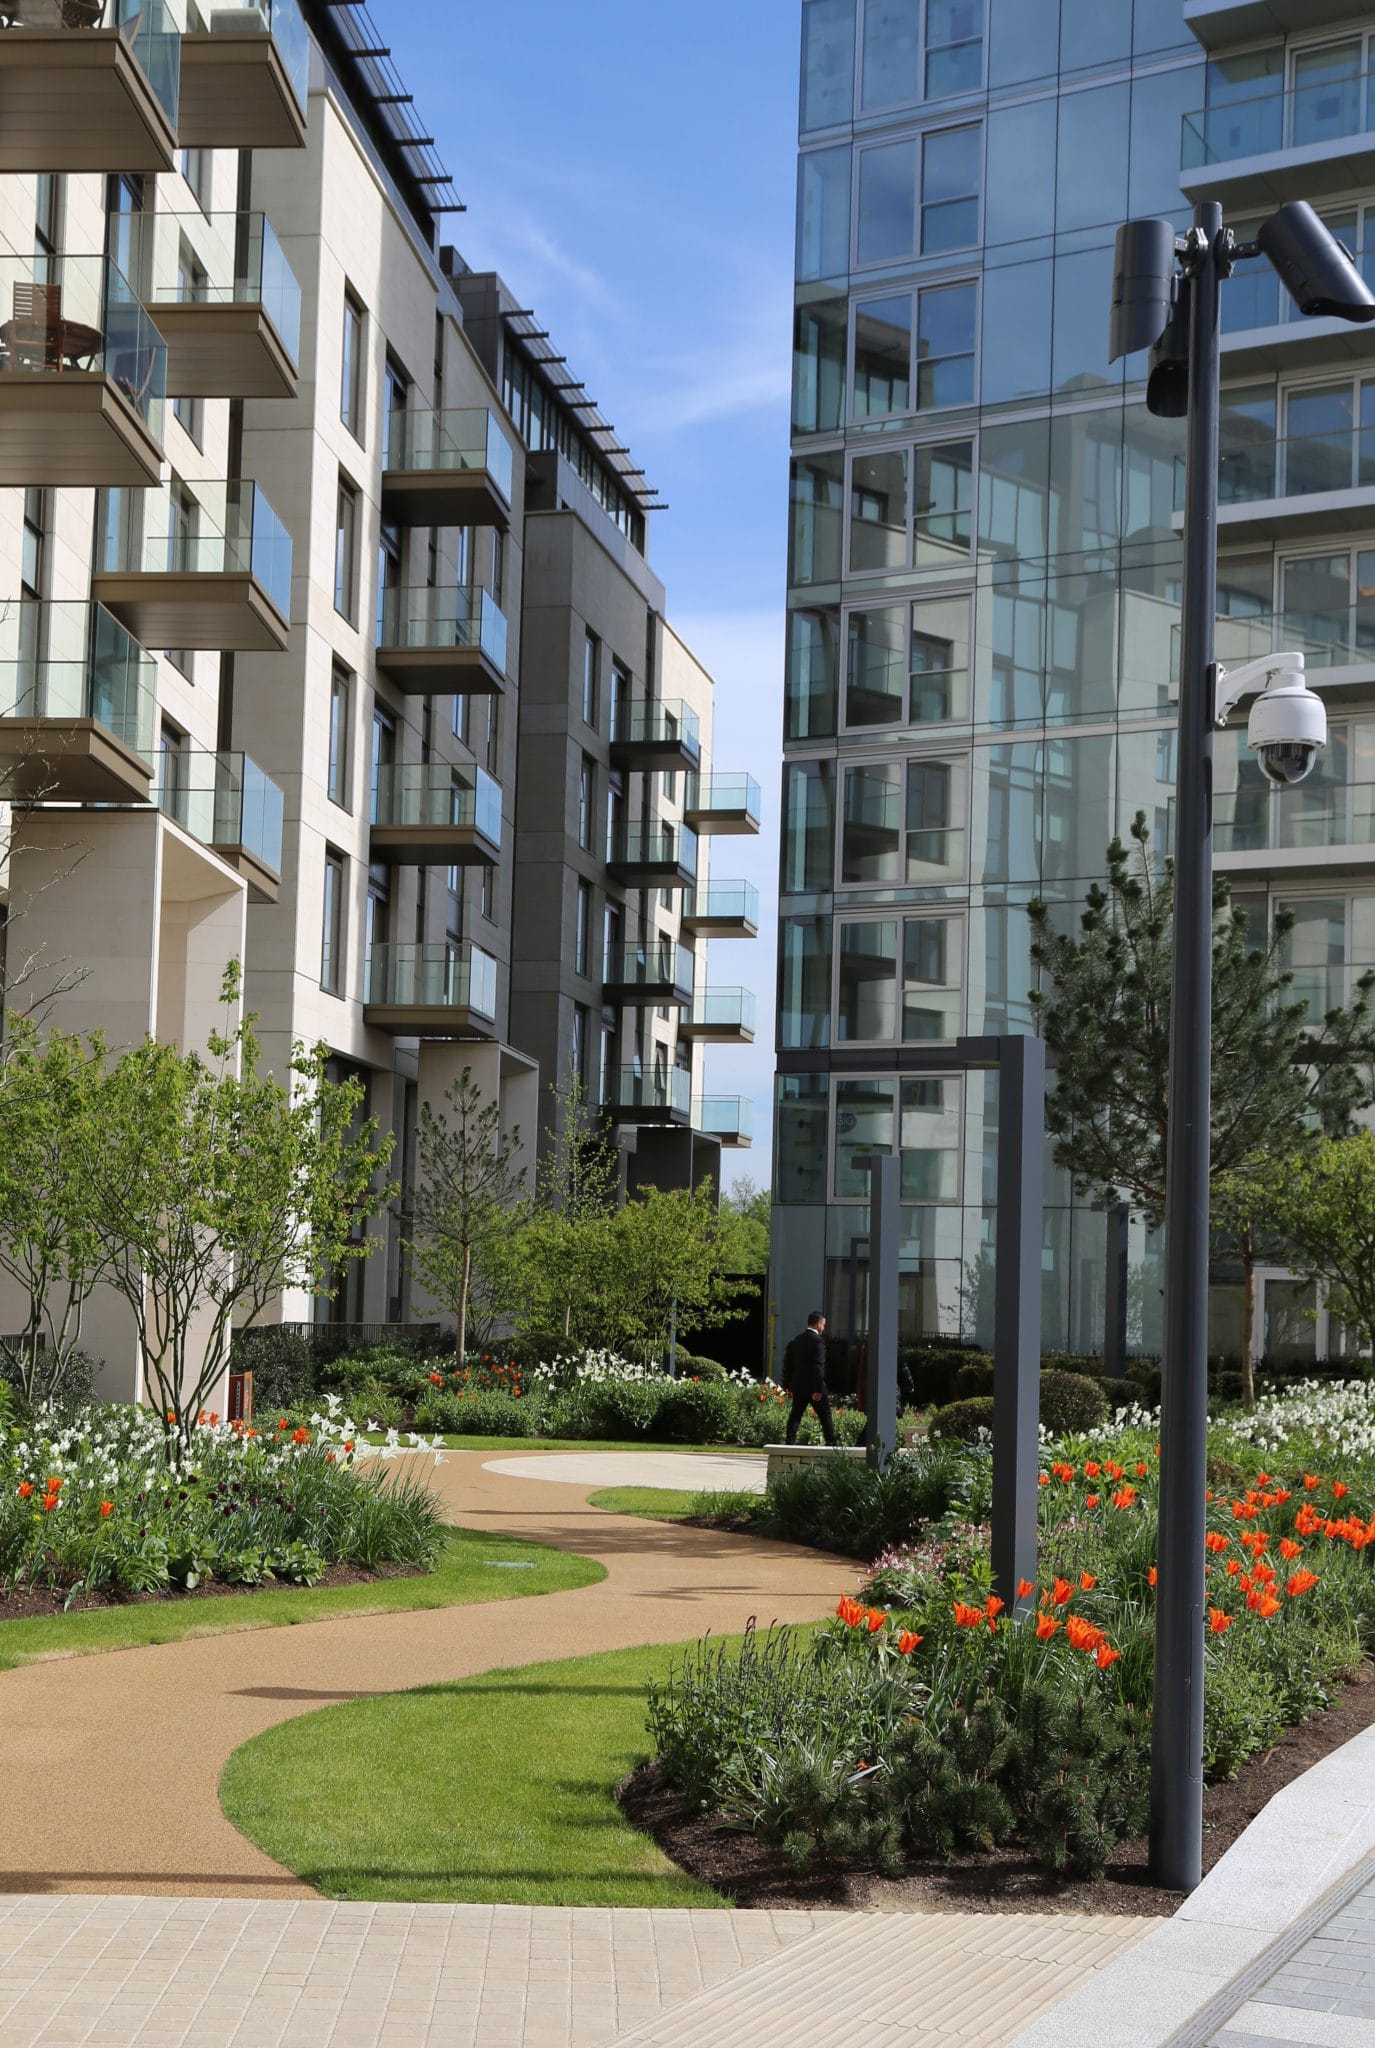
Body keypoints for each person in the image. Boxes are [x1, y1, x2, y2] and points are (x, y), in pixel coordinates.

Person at [782, 1310, 837, 1446]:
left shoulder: (797, 1340)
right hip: (814, 1387)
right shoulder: (818, 1342)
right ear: (818, 1324)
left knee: (795, 1415)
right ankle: (832, 1443)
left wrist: (789, 1385)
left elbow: (788, 1365)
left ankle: (790, 1441)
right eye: (823, 1325)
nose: (823, 1328)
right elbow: (819, 1366)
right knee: (825, 1415)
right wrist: (818, 1388)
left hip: (799, 1386)